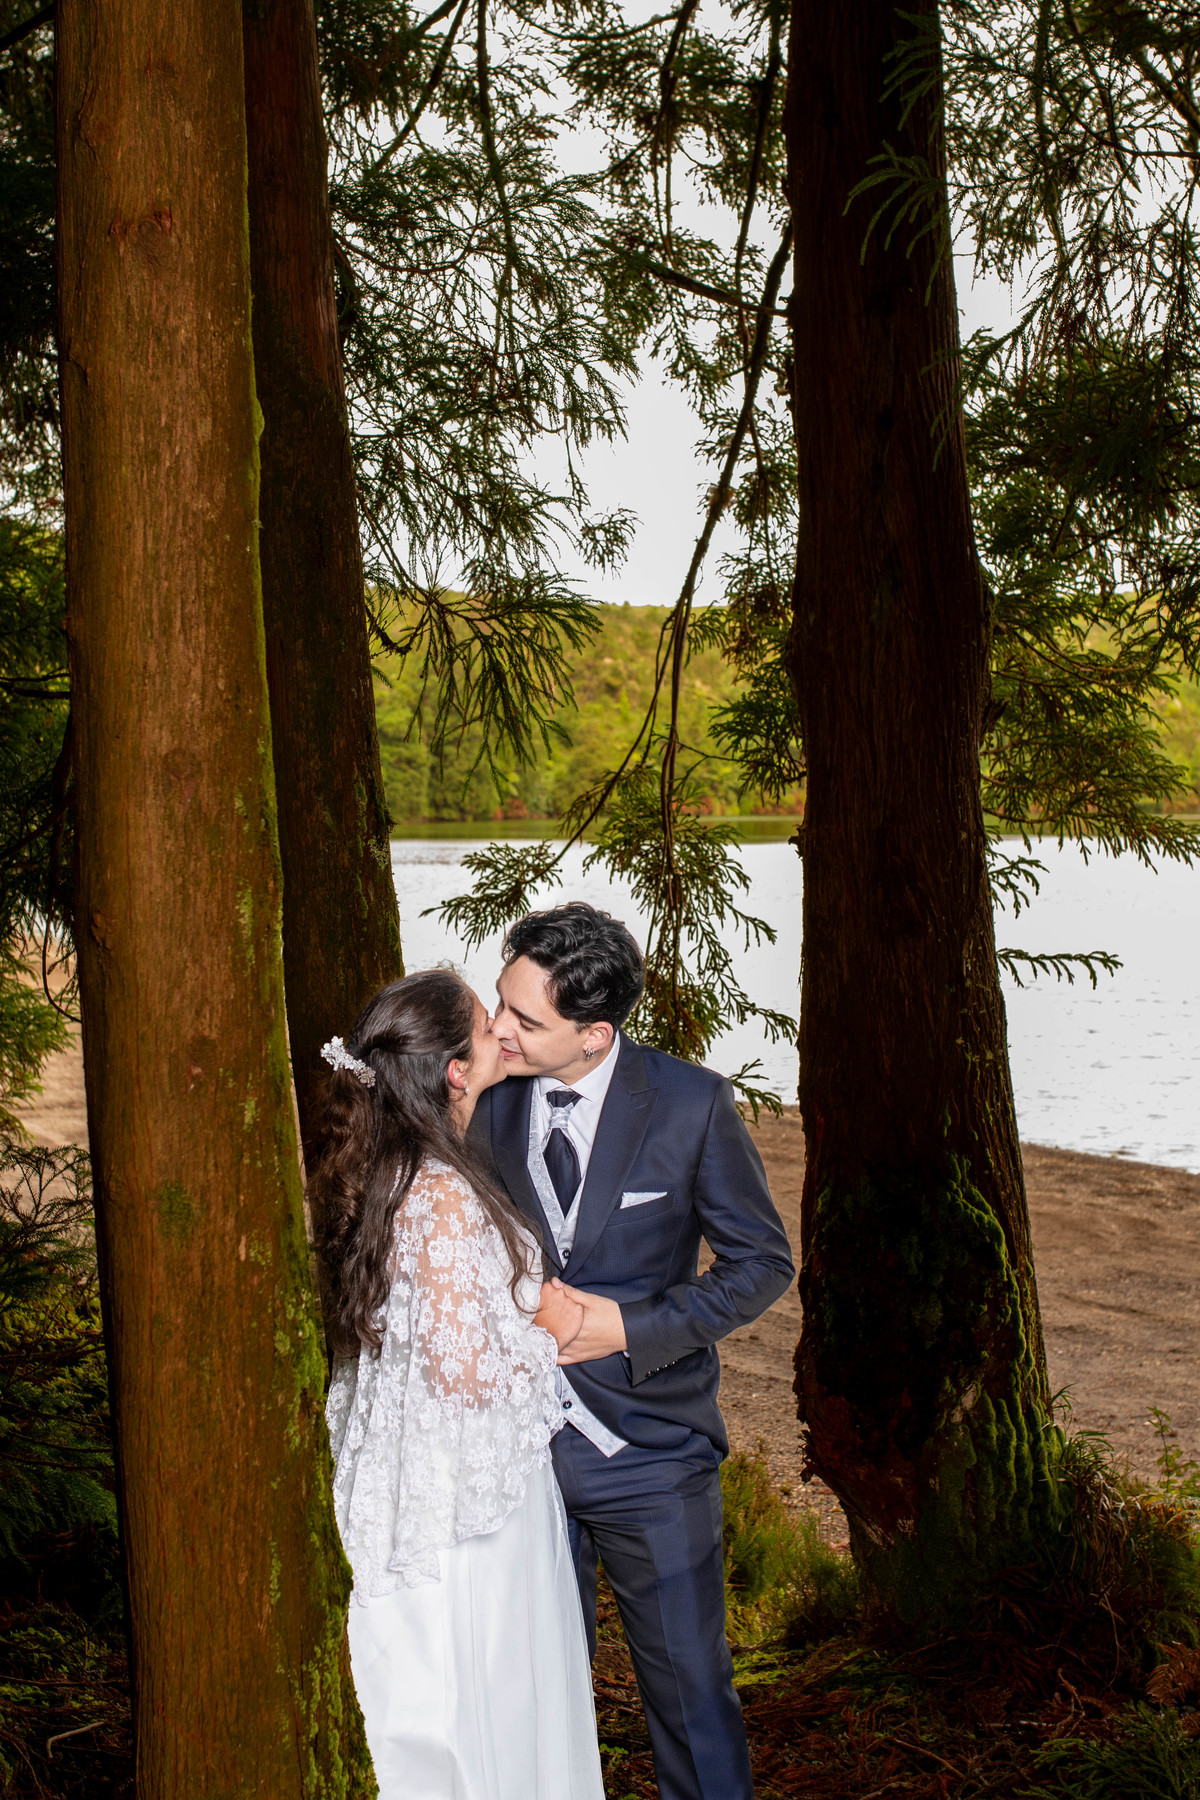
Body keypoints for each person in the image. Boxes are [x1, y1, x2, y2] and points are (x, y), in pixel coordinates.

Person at [470, 903, 796, 1800]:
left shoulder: (691, 1104)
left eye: (525, 1018)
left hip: (652, 1453)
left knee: (691, 1699)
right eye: (500, 1002)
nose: (498, 1028)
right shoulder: (483, 1095)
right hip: (513, 1459)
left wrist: (627, 1327)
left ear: (595, 1034)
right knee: (533, 1702)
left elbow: (763, 1265)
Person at [312, 967, 604, 1800]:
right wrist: (547, 1332)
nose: (502, 1032)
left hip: (413, 1468)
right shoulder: (439, 1191)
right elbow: (462, 1368)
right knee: (477, 1686)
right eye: (484, 1025)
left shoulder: (389, 1169)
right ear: (454, 1072)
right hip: (457, 1497)